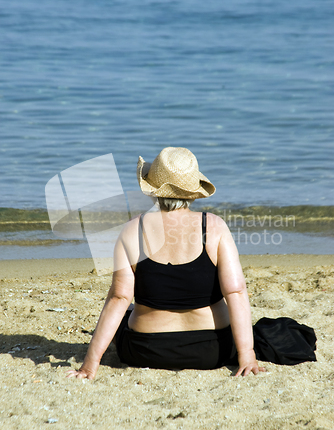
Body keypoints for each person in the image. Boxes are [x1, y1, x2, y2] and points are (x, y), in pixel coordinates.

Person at [67, 147, 316, 380]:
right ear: (192, 191)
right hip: (212, 351)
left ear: (152, 188)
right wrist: (247, 355)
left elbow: (120, 298)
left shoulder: (132, 230)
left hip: (144, 350)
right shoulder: (214, 226)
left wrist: (89, 364)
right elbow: (236, 292)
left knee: (127, 312)